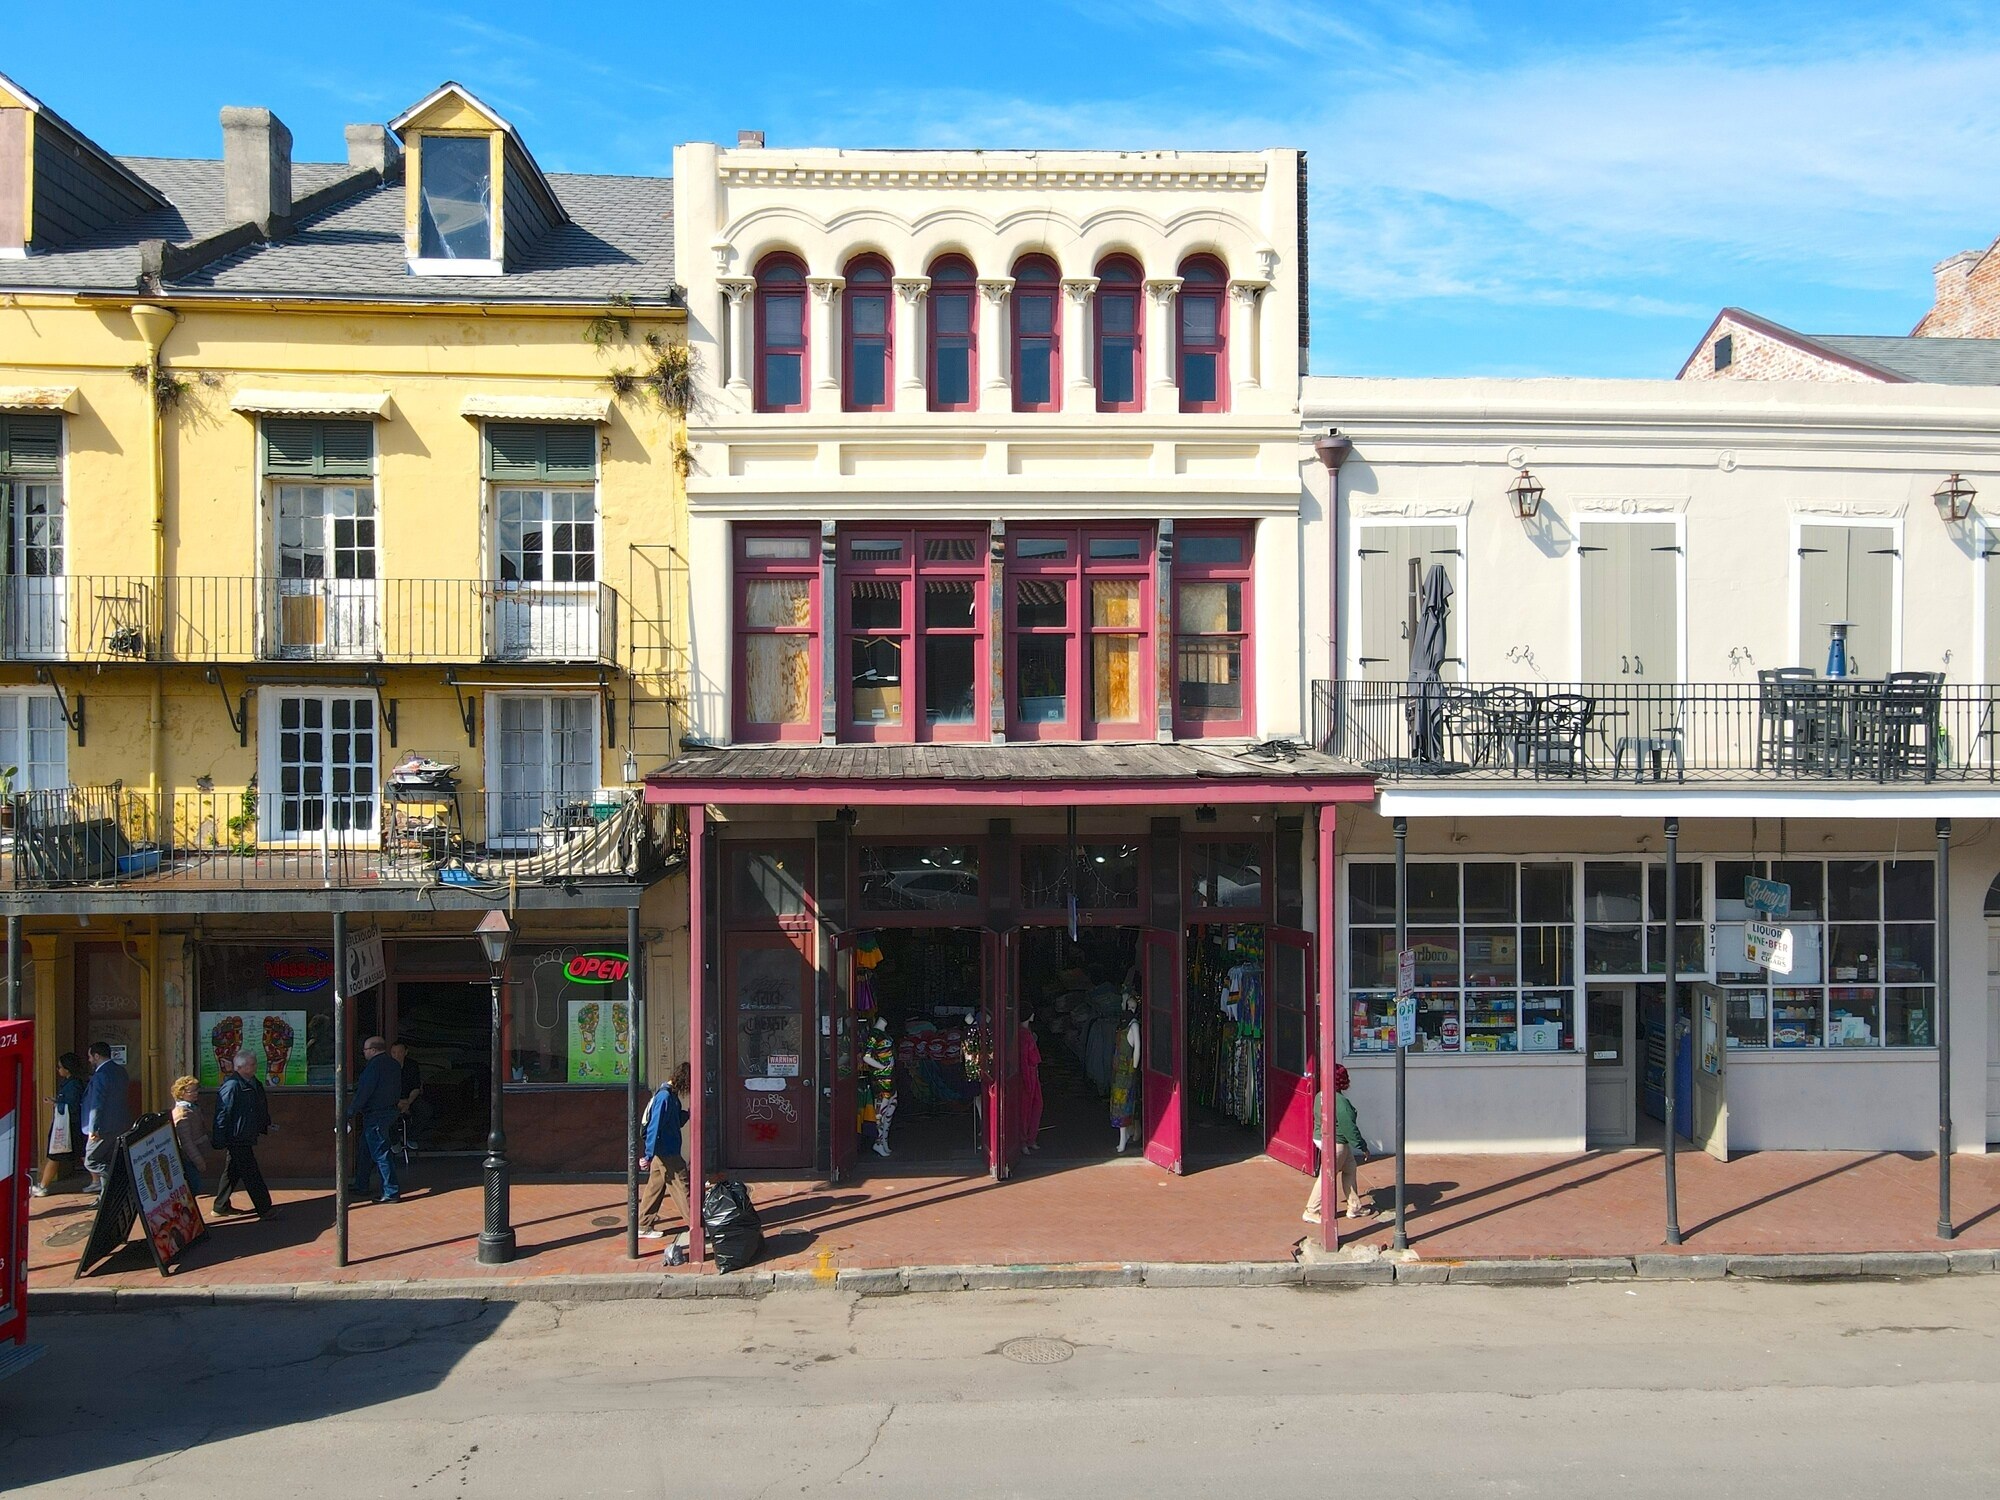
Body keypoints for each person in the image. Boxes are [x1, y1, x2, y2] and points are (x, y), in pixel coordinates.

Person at [1304, 1063, 1374, 1224]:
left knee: (1350, 1168)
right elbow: (1349, 1128)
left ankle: (1354, 1206)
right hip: (1336, 1142)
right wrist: (1362, 1146)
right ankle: (1311, 1210)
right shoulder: (1340, 1101)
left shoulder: (1320, 1095)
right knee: (1327, 1176)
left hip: (1322, 1137)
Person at [211, 1048, 277, 1218]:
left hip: (246, 1133)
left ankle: (220, 1206)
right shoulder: (232, 1085)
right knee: (251, 1172)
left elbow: (258, 1106)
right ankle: (265, 1208)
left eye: (254, 1064)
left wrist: (264, 1123)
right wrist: (219, 1137)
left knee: (232, 1171)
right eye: (251, 1064)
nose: (255, 1067)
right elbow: (223, 1112)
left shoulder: (253, 1083)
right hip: (237, 1136)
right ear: (240, 1067)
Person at [638, 1061, 691, 1244]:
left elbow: (673, 1122)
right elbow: (655, 1127)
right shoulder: (665, 1097)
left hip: (662, 1151)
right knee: (682, 1186)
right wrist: (648, 1155)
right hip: (667, 1151)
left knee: (654, 1188)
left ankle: (643, 1225)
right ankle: (697, 1225)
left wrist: (687, 1114)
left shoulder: (669, 1095)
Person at [348, 1035, 403, 1203]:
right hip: (389, 1111)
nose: (364, 1053)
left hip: (375, 1115)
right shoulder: (393, 1064)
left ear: (372, 1050)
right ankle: (361, 1184)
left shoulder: (373, 1067)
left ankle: (390, 1191)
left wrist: (350, 1112)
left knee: (381, 1153)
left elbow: (365, 1091)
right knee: (365, 1150)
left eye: (365, 1050)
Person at [79, 1041, 133, 1198]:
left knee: (91, 1160)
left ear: (96, 1056)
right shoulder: (120, 1071)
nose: (89, 1060)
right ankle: (105, 1198)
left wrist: (93, 1128)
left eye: (90, 1057)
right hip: (120, 1123)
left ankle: (119, 1181)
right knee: (106, 1158)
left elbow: (97, 1104)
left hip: (103, 1127)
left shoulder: (101, 1075)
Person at [32, 1051, 87, 1197]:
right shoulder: (70, 1083)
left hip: (68, 1126)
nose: (58, 1070)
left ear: (67, 1069)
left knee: (56, 1155)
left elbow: (73, 1106)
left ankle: (43, 1187)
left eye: (60, 1067)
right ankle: (98, 1181)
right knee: (81, 1153)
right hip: (69, 1124)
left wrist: (56, 1104)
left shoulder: (73, 1085)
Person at [1109, 992, 1140, 1154]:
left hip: (1127, 1072)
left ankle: (1123, 1139)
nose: (1131, 1010)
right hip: (1118, 1071)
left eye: (1134, 1008)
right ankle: (1126, 1134)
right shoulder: (1122, 1024)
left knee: (1124, 1106)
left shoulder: (1133, 1025)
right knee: (1119, 1104)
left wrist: (1133, 1067)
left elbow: (1137, 1049)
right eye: (1129, 1007)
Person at [169, 1075, 210, 1197]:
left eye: (196, 1090)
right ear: (181, 1093)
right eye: (191, 1091)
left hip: (195, 1154)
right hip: (189, 1158)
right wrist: (199, 1161)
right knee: (193, 1188)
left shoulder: (193, 1108)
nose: (195, 1093)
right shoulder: (183, 1113)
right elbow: (186, 1142)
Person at [391, 1040, 427, 1151]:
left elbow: (416, 1086)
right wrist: (398, 1102)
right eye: (394, 1052)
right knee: (388, 1113)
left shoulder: (412, 1065)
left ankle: (411, 1137)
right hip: (392, 1099)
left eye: (400, 1052)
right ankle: (394, 1141)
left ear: (406, 1052)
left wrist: (408, 1102)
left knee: (425, 1110)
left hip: (410, 1098)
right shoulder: (387, 1066)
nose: (397, 1055)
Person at [1016, 1016, 1044, 1154]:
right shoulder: (1024, 1035)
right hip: (1027, 1074)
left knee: (1033, 1106)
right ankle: (1025, 1140)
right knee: (1027, 1109)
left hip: (1028, 1074)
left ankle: (1029, 1139)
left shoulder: (1021, 1033)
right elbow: (1028, 1059)